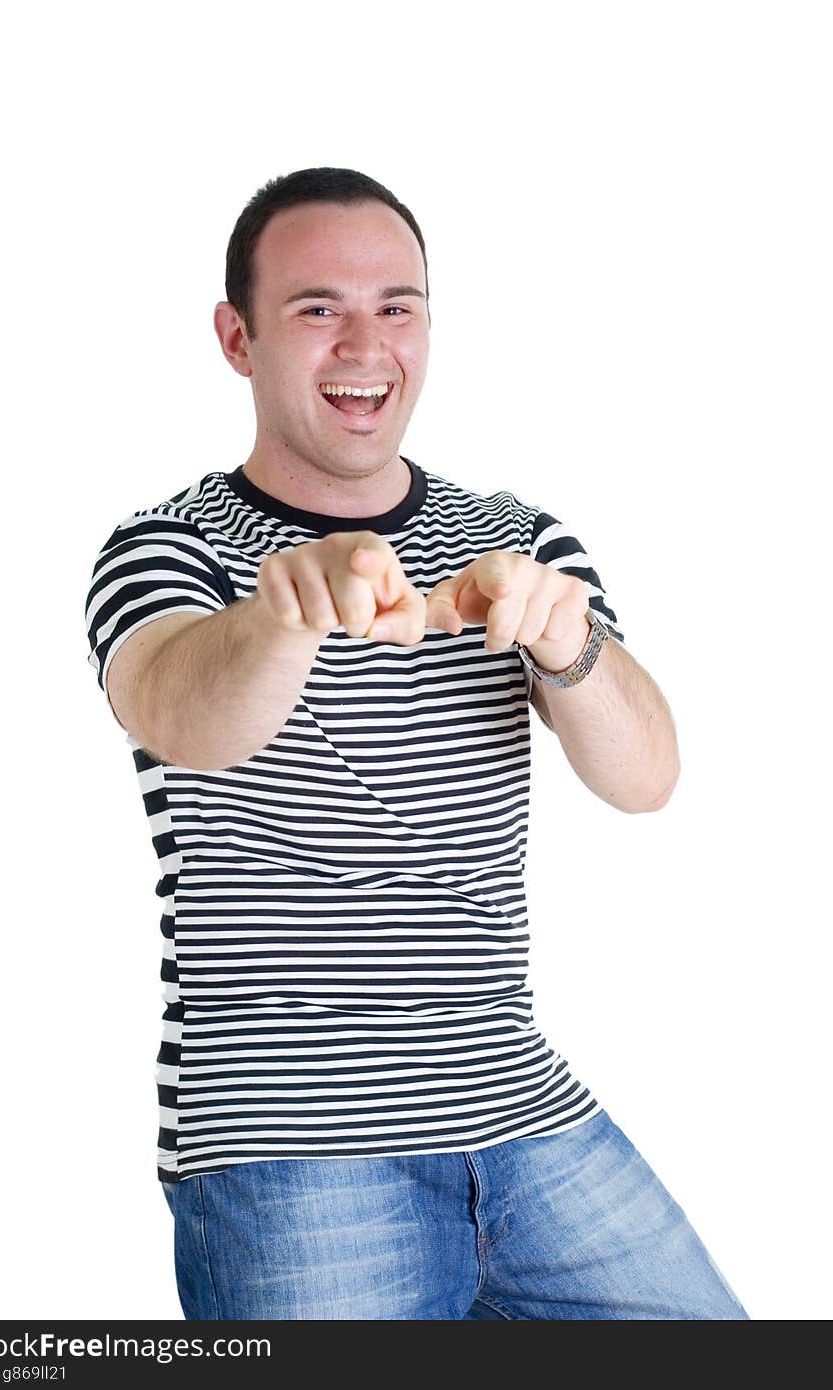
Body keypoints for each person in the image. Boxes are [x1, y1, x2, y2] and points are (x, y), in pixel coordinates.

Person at [84, 166, 750, 1320]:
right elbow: (181, 712)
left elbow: (646, 776)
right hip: (289, 1146)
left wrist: (564, 639)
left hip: (525, 1117)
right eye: (316, 308)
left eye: (397, 306)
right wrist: (287, 612)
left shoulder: (517, 535)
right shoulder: (168, 545)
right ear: (237, 338)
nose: (365, 342)